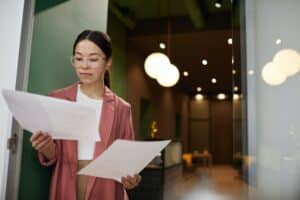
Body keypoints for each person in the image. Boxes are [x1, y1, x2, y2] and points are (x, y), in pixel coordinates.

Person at [30, 30, 141, 200]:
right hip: (66, 182)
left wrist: (131, 178)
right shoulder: (57, 99)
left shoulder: (122, 108)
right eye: (79, 58)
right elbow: (53, 154)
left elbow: (128, 162)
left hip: (107, 188)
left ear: (108, 62)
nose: (84, 65)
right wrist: (47, 148)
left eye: (93, 59)